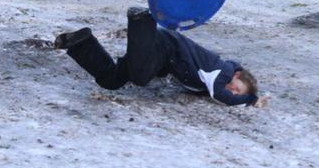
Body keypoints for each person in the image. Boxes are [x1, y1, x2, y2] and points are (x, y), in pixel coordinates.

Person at [61, 7, 262, 107]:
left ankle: (81, 43)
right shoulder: (223, 72)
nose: (232, 92)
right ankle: (141, 20)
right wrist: (251, 100)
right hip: (164, 46)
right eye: (236, 89)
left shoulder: (218, 77)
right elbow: (220, 95)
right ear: (237, 75)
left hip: (160, 57)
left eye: (236, 94)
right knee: (140, 77)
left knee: (111, 81)